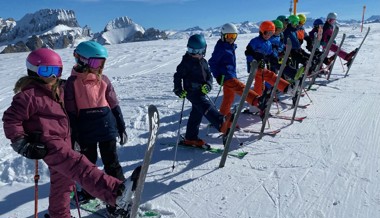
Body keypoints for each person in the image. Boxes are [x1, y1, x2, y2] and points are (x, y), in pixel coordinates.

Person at [2, 48, 138, 218]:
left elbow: (82, 86)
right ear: (33, 71)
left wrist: (87, 70)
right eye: (46, 70)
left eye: (56, 71)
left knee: (64, 183)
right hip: (48, 145)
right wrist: (22, 143)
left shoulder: (59, 90)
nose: (52, 75)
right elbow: (10, 119)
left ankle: (59, 215)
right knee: (80, 166)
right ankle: (116, 192)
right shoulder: (29, 96)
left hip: (64, 141)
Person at [64, 41, 128, 215]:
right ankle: (88, 191)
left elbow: (113, 103)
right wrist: (74, 135)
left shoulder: (104, 79)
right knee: (88, 165)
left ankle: (121, 195)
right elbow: (70, 111)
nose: (98, 67)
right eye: (95, 63)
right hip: (85, 130)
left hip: (107, 126)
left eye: (101, 63)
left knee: (112, 163)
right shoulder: (71, 83)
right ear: (82, 60)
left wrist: (120, 124)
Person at [173, 34, 231, 147]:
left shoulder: (204, 62)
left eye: (199, 51)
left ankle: (190, 137)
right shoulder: (186, 62)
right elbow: (177, 76)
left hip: (201, 90)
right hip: (191, 91)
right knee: (205, 105)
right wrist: (178, 89)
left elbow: (209, 76)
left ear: (204, 50)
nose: (196, 54)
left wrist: (208, 85)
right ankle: (220, 122)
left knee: (197, 113)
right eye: (192, 51)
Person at [208, 23, 266, 117]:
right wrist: (217, 76)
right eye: (228, 36)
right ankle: (256, 100)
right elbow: (212, 62)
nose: (231, 38)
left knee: (229, 97)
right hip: (227, 76)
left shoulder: (229, 46)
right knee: (241, 88)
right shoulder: (221, 48)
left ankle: (223, 117)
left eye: (233, 36)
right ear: (223, 36)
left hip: (231, 74)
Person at [245, 21, 293, 97]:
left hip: (261, 65)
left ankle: (258, 98)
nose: (268, 36)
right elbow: (248, 52)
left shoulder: (268, 43)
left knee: (260, 80)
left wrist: (274, 58)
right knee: (268, 76)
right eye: (266, 33)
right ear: (261, 31)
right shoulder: (255, 41)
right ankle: (285, 87)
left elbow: (270, 53)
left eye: (271, 33)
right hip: (254, 66)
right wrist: (255, 58)